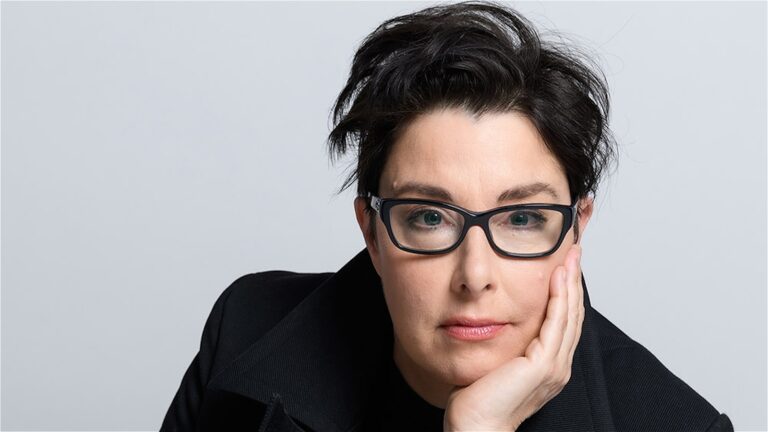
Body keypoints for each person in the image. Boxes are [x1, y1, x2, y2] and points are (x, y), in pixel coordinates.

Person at [160, 2, 733, 431]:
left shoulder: (676, 425)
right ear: (372, 233)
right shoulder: (246, 330)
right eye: (431, 218)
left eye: (522, 219)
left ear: (575, 230)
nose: (474, 275)